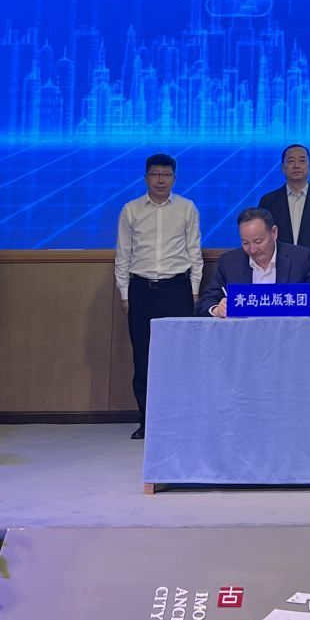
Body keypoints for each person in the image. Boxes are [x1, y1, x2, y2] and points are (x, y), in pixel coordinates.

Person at [114, 153, 202, 440]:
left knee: (180, 358)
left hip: (177, 289)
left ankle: (181, 420)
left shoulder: (187, 208)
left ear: (174, 178)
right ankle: (148, 421)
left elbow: (194, 252)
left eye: (166, 174)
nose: (160, 180)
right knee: (143, 359)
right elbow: (123, 255)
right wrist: (125, 293)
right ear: (146, 178)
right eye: (155, 174)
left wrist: (194, 291)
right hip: (141, 291)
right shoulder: (131, 210)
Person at [199, 207, 310, 317]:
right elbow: (205, 303)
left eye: (258, 242)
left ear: (274, 233)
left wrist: (294, 308)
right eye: (245, 243)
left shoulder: (301, 259)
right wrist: (217, 309)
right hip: (244, 337)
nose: (252, 250)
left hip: (289, 335)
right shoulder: (229, 262)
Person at [257, 144, 310, 307]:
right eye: (291, 161)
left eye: (302, 161)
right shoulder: (268, 202)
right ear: (283, 167)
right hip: (277, 281)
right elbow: (261, 244)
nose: (296, 165)